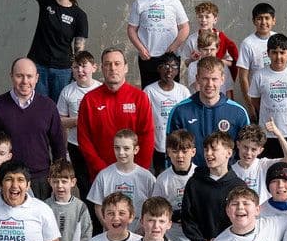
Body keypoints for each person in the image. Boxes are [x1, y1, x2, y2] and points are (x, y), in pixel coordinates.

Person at [0, 59, 67, 191]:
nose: (25, 81)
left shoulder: (48, 106)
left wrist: (60, 178)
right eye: (19, 76)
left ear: (37, 78)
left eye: (29, 76)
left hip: (40, 181)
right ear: (11, 76)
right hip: (5, 179)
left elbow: (58, 147)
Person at [76, 46, 156, 187]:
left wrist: (137, 171)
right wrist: (103, 170)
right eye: (108, 64)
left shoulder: (140, 98)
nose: (112, 68)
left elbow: (147, 136)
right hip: (101, 177)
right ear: (101, 68)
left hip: (134, 178)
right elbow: (84, 139)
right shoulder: (89, 100)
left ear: (126, 67)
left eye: (117, 63)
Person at [168, 56, 253, 165]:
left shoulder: (238, 112)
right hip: (191, 178)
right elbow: (170, 150)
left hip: (227, 177)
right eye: (205, 78)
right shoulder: (180, 111)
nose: (209, 84)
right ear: (197, 79)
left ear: (222, 79)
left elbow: (247, 150)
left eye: (214, 79)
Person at [125, 0, 190, 87]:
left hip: (170, 57)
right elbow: (131, 29)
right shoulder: (139, 3)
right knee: (148, 92)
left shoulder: (174, 2)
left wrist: (174, 47)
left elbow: (185, 27)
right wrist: (141, 49)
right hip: (148, 57)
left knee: (171, 91)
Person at [142, 51, 191, 175]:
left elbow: (187, 116)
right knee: (160, 173)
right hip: (158, 143)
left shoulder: (183, 91)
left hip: (179, 143)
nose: (170, 70)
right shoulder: (149, 91)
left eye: (174, 67)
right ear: (159, 69)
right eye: (166, 66)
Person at [56, 47, 99, 183]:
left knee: (98, 180)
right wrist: (78, 121)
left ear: (94, 67)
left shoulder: (102, 90)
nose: (80, 71)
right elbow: (60, 121)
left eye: (83, 66)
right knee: (82, 182)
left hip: (98, 144)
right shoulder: (67, 91)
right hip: (76, 145)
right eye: (76, 67)